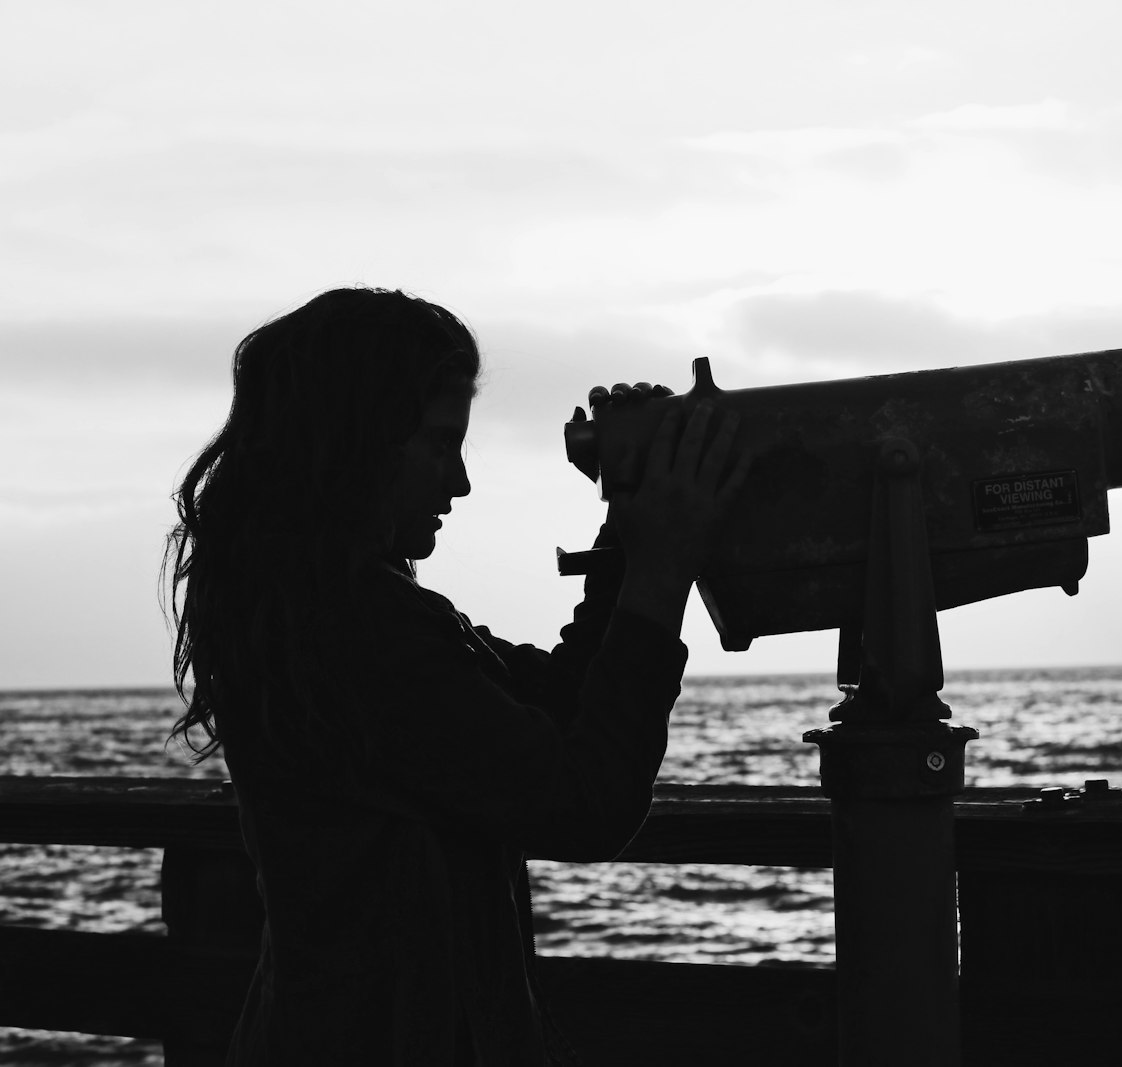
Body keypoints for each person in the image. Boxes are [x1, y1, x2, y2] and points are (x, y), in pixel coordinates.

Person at [164, 287, 746, 1065]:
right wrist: (660, 573)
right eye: (441, 443)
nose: (461, 481)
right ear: (355, 442)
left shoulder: (337, 617)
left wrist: (629, 522)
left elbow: (561, 705)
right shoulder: (356, 634)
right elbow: (586, 800)